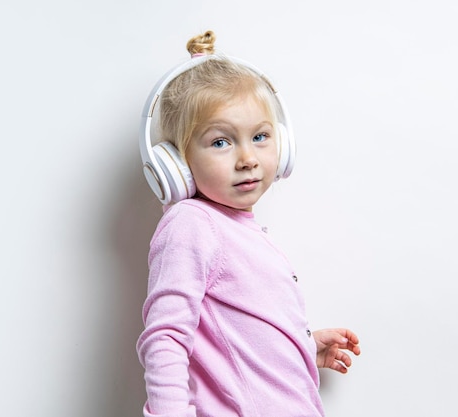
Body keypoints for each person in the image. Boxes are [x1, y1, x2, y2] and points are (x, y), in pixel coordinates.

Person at [136, 30, 360, 417]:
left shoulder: (235, 228)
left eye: (260, 137)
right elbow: (166, 337)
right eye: (221, 142)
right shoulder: (191, 224)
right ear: (176, 164)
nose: (248, 159)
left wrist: (302, 349)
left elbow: (237, 331)